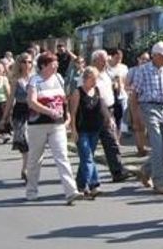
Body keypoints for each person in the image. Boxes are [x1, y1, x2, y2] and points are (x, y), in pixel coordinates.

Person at [24, 52, 82, 204]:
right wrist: (49, 111)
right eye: (52, 63)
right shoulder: (34, 81)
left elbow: (63, 99)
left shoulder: (59, 78)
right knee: (35, 159)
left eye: (56, 62)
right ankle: (31, 191)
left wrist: (67, 114)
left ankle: (71, 191)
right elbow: (31, 102)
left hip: (57, 124)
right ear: (43, 65)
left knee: (62, 156)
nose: (56, 65)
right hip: (38, 125)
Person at [130, 42, 163, 194]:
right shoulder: (142, 70)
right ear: (155, 55)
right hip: (148, 106)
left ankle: (145, 169)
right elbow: (135, 95)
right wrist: (135, 117)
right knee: (157, 143)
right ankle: (159, 182)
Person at [67, 66, 114, 199]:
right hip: (82, 130)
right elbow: (73, 113)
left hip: (95, 129)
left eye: (96, 79)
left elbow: (102, 106)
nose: (95, 82)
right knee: (87, 158)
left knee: (87, 158)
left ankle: (80, 185)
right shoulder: (78, 92)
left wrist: (109, 119)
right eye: (93, 79)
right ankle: (93, 185)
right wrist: (73, 130)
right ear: (86, 79)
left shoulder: (97, 90)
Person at [88, 50, 131, 182]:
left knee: (111, 143)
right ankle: (86, 178)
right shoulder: (89, 74)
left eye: (106, 59)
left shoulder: (106, 73)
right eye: (103, 60)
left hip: (109, 109)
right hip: (96, 112)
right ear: (95, 60)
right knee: (91, 146)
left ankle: (117, 171)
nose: (106, 62)